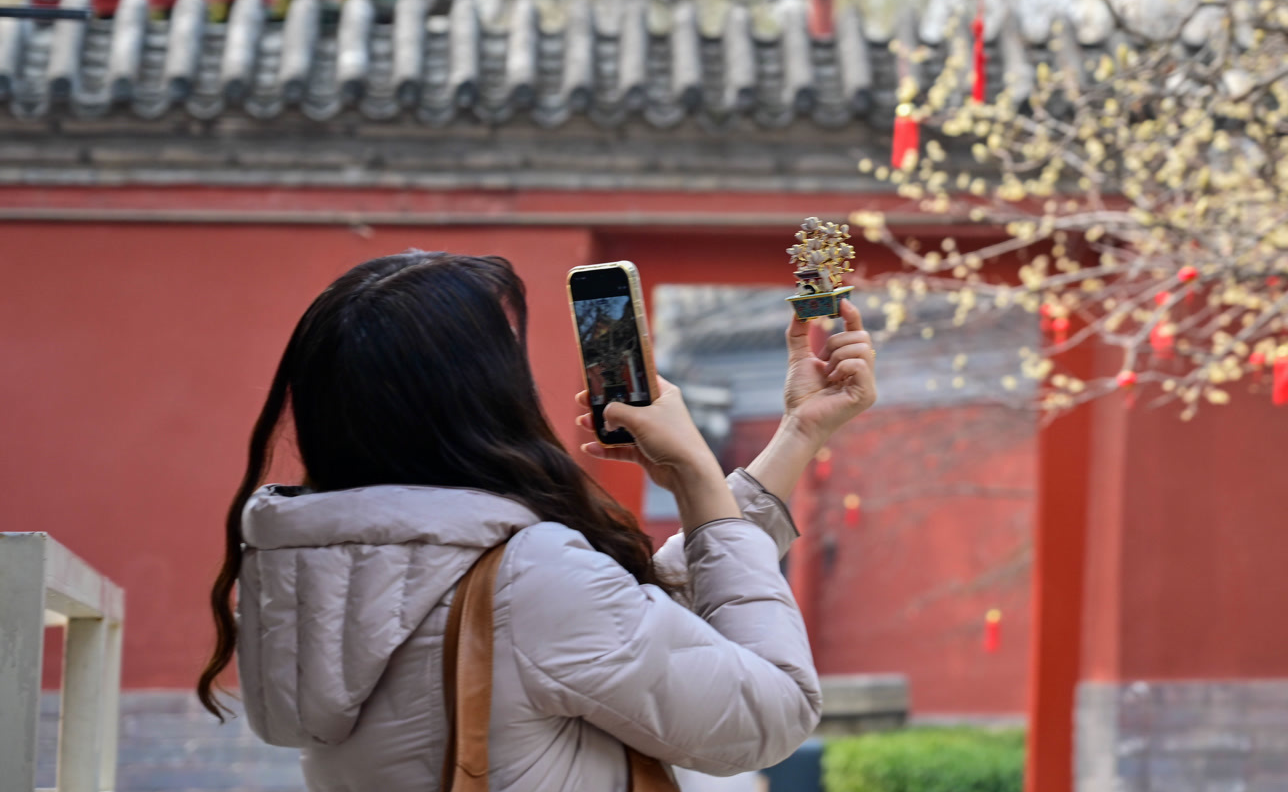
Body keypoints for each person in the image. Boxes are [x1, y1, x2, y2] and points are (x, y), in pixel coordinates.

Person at [193, 251, 878, 791]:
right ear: (480, 398)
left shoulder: (305, 576)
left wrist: (796, 435)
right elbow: (774, 709)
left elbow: (635, 625)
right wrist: (696, 471)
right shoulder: (533, 583)